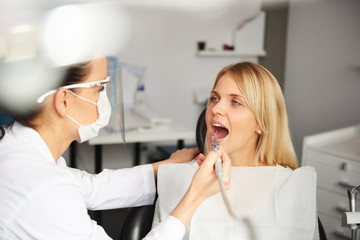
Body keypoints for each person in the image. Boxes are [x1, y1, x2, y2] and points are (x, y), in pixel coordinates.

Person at [0, 54, 232, 240]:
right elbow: (58, 191)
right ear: (64, 100)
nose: (104, 100)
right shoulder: (39, 188)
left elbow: (92, 188)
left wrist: (165, 167)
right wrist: (195, 197)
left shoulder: (25, 153)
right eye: (99, 89)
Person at [152, 62, 318, 240]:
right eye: (214, 98)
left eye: (236, 102)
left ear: (262, 123)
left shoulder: (292, 186)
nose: (216, 109)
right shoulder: (178, 176)